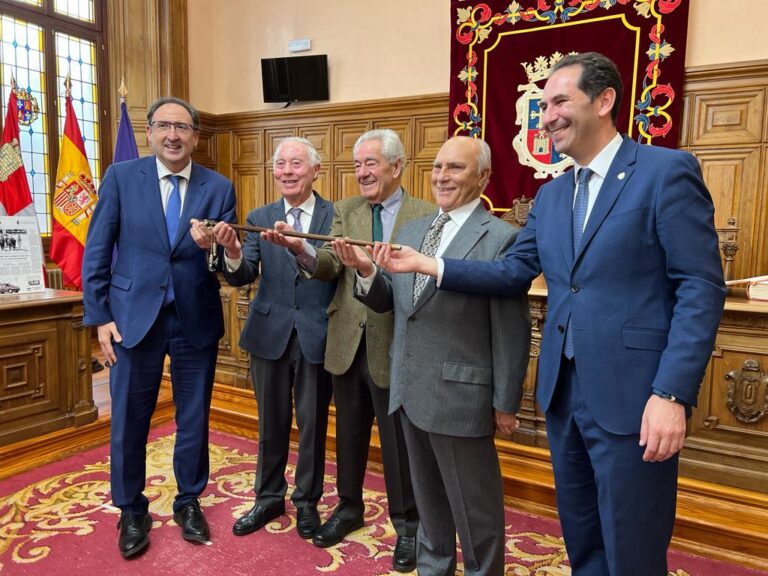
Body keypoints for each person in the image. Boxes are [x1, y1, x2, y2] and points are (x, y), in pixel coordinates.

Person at [378, 52, 726, 575]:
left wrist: (671, 393)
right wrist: (429, 264)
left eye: (560, 101)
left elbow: (699, 288)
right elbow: (511, 273)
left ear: (604, 101)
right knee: (582, 536)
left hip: (636, 396)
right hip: (563, 395)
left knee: (632, 544)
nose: (547, 118)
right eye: (543, 106)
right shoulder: (551, 194)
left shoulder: (664, 173)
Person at [333, 136, 530, 575]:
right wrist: (366, 270)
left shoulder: (502, 239)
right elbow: (395, 302)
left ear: (483, 177)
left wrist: (505, 402)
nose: (441, 177)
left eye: (455, 168)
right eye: (438, 167)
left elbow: (511, 329)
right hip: (408, 391)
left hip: (462, 398)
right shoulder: (412, 231)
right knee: (428, 508)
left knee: (475, 513)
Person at [261, 129, 432, 572]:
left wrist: (374, 272)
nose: (362, 173)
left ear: (397, 166)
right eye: (357, 165)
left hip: (395, 344)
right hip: (345, 343)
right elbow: (328, 264)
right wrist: (301, 248)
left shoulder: (424, 215)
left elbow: (422, 283)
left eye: (371, 163)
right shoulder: (346, 210)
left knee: (397, 444)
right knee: (349, 435)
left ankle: (407, 525)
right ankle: (349, 507)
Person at [82, 96, 237, 558]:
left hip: (194, 320)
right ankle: (131, 509)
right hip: (132, 320)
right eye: (164, 126)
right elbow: (97, 249)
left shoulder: (219, 187)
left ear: (195, 137)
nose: (173, 135)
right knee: (129, 420)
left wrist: (215, 248)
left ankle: (189, 500)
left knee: (193, 418)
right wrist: (100, 316)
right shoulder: (121, 177)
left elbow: (226, 263)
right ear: (149, 132)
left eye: (183, 127)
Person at [209, 137, 335, 540]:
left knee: (312, 425)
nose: (287, 171)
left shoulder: (335, 216)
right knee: (270, 423)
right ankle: (268, 498)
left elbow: (336, 271)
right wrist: (232, 250)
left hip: (317, 334)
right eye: (280, 164)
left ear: (316, 170)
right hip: (269, 334)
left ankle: (307, 501)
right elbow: (242, 274)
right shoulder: (259, 216)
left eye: (296, 163)